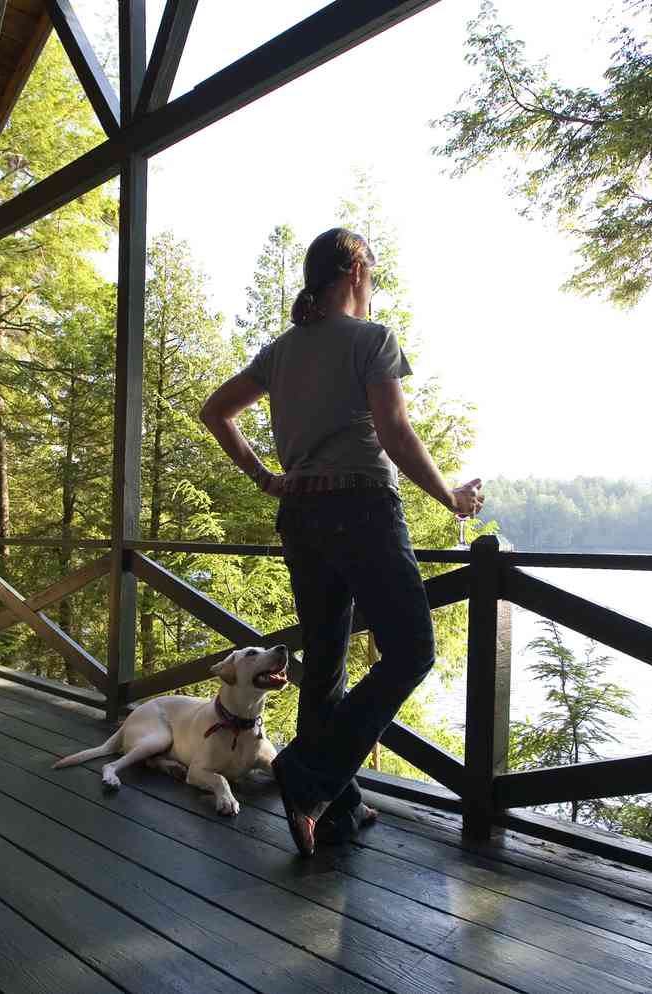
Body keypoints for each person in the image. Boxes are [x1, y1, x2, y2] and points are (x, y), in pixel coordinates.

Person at [199, 227, 482, 856]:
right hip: (360, 507)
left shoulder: (280, 351)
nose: (374, 281)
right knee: (410, 650)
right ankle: (310, 772)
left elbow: (216, 411)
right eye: (372, 269)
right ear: (355, 269)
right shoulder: (373, 339)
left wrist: (268, 479)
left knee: (325, 663)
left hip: (300, 515)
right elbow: (396, 432)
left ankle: (333, 808)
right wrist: (452, 498)